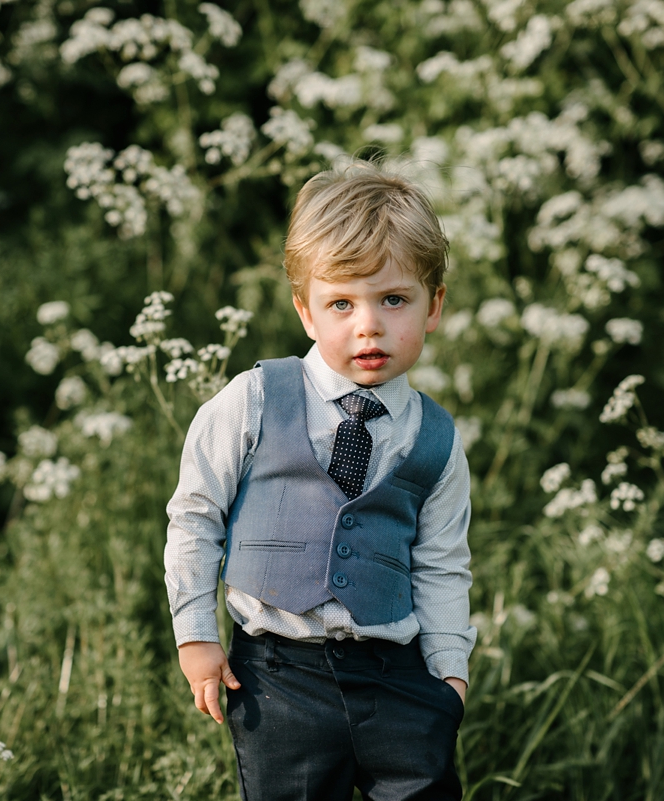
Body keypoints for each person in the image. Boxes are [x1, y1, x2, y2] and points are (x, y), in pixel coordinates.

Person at [164, 159, 476, 801]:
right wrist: (197, 635)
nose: (368, 325)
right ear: (306, 312)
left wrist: (449, 678)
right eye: (342, 303)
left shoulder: (436, 439)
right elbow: (196, 516)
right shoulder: (255, 399)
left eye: (394, 299)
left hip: (397, 672)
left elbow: (442, 561)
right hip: (279, 674)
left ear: (434, 305)